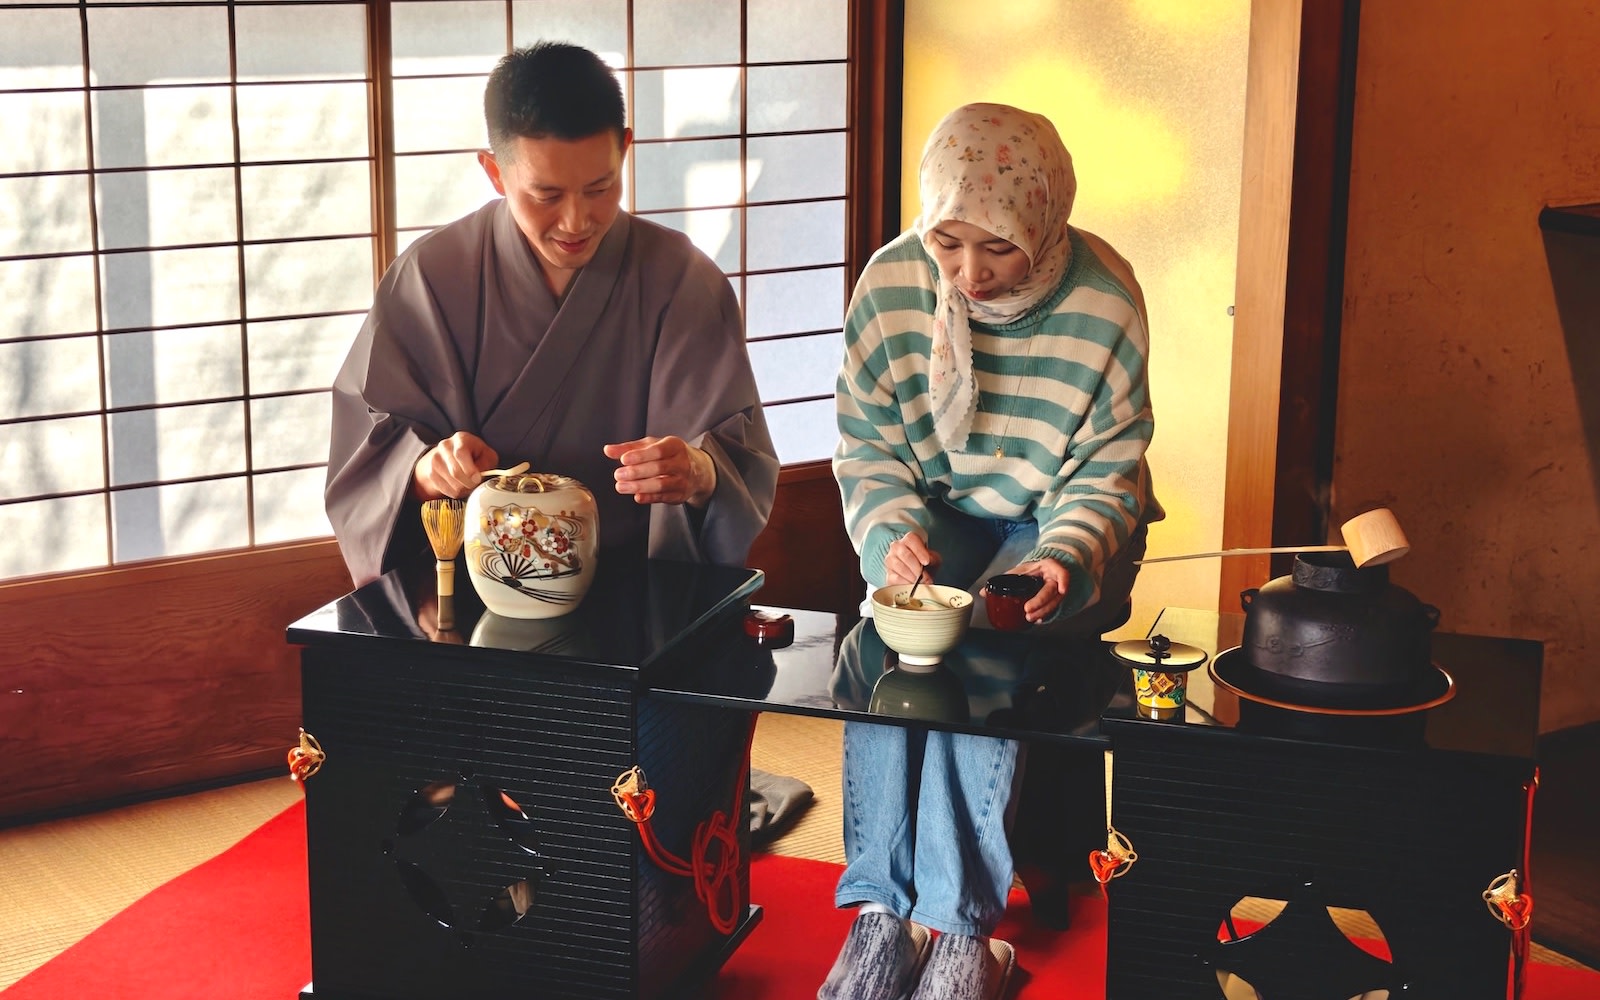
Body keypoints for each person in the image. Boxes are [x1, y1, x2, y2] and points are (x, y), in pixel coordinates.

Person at [824, 102, 1162, 1000]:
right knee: (886, 646)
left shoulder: (1103, 299)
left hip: (1054, 523)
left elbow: (1106, 467)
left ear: (1046, 219)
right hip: (940, 510)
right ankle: (878, 917)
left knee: (986, 647)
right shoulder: (893, 283)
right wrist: (893, 537)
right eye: (948, 244)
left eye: (999, 249)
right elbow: (868, 444)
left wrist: (1067, 553)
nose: (969, 275)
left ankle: (962, 928)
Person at [325, 41, 778, 588]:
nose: (576, 220)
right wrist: (426, 471)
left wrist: (698, 473)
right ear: (494, 172)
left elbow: (734, 463)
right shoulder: (430, 276)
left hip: (639, 591)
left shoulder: (683, 280)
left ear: (625, 150)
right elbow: (371, 458)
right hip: (477, 591)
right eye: (546, 195)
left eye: (600, 188)